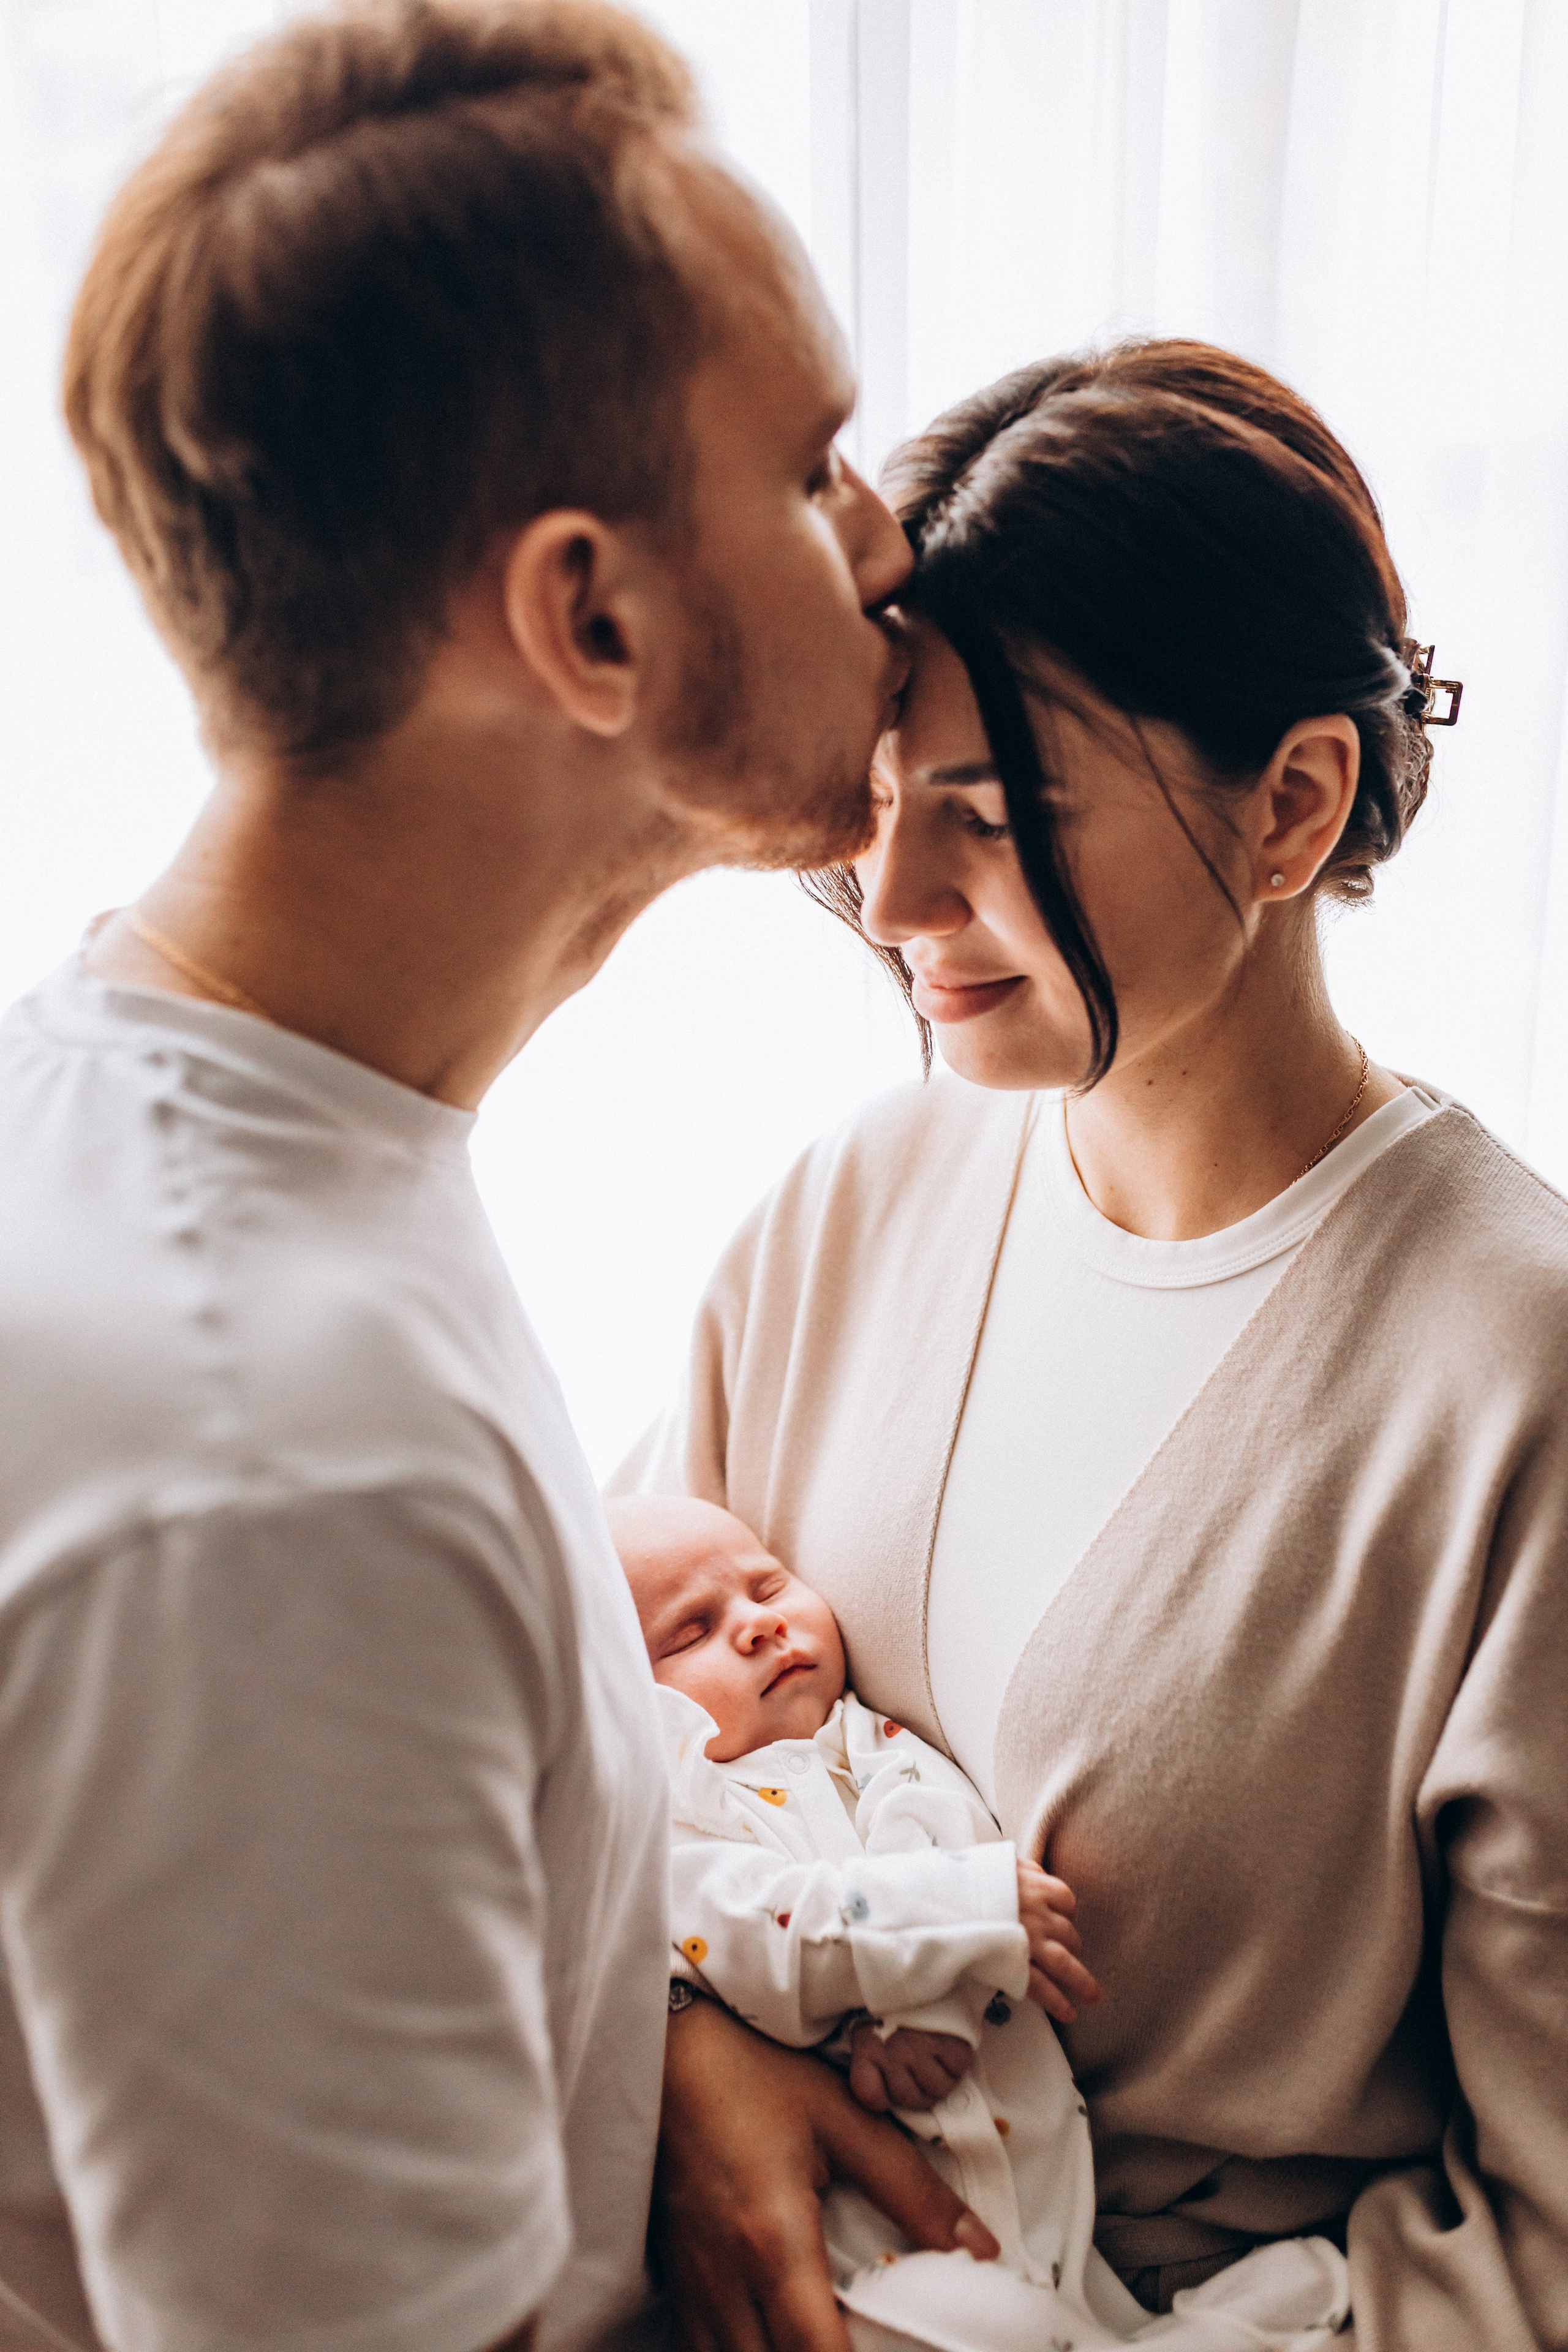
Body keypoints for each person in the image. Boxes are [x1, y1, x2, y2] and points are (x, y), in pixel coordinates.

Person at [0, 5, 997, 2348]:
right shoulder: (280, 1463)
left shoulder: (194, 1113)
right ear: (590, 619)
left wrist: (652, 2044)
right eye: (820, 464)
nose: (890, 547)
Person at [620, 341, 1568, 2352]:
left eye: (998, 810)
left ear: (1296, 800)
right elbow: (576, 1762)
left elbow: (1552, 2243)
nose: (891, 898)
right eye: (885, 803)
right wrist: (688, 2064)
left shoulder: (1515, 1388)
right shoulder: (850, 1207)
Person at [608, 1496, 1354, 2352]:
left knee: (1061, 2309)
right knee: (991, 2325)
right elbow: (755, 1930)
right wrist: (955, 1912)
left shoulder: (875, 1743)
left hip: (1037, 2198)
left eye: (767, 1586)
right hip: (869, 2264)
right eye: (691, 1632)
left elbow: (943, 1838)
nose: (755, 1626)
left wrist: (932, 1999)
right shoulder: (682, 1820)